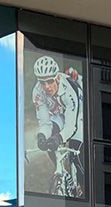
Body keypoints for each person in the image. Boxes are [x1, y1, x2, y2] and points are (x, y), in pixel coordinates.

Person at [31, 55, 85, 195]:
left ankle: (83, 187)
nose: (47, 87)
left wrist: (59, 138)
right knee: (49, 139)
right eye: (42, 82)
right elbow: (45, 122)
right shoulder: (37, 92)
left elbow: (72, 126)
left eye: (50, 81)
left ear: (58, 78)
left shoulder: (69, 88)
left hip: (79, 114)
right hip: (60, 114)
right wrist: (42, 136)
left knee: (76, 155)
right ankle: (61, 171)